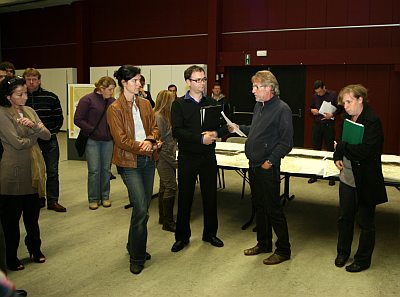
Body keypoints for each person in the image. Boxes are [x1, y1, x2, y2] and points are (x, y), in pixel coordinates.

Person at [228, 70, 293, 265]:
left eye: (256, 87)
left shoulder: (282, 109)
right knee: (260, 206)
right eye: (253, 86)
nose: (253, 91)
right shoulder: (260, 106)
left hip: (266, 166)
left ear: (269, 88)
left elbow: (286, 142)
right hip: (254, 165)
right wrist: (239, 128)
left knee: (273, 209)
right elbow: (256, 131)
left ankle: (283, 250)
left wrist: (270, 161)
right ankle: (263, 243)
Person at [107, 65, 160, 275]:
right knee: (140, 208)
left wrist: (150, 139)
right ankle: (137, 256)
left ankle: (133, 245)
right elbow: (120, 140)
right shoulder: (115, 108)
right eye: (136, 80)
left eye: (140, 80)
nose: (140, 84)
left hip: (148, 161)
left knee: (144, 207)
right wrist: (145, 145)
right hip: (129, 162)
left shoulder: (146, 104)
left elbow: (155, 127)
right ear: (124, 82)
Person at [170, 65, 227, 253]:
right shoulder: (178, 104)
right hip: (188, 157)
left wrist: (216, 132)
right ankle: (182, 237)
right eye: (197, 80)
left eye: (203, 79)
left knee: (210, 196)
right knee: (185, 198)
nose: (202, 83)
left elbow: (223, 126)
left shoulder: (211, 102)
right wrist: (199, 138)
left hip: (208, 157)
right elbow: (177, 130)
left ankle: (210, 233)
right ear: (188, 82)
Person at [333, 84, 387, 273]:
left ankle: (363, 260)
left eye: (349, 102)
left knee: (366, 222)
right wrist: (337, 156)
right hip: (347, 177)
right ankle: (342, 252)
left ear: (360, 100)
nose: (345, 106)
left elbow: (366, 151)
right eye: (343, 103)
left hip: (366, 180)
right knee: (344, 218)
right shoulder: (346, 118)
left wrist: (342, 147)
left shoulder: (372, 121)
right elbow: (339, 145)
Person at [0, 76, 50, 272]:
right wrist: (34, 134)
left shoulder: (29, 111)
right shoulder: (3, 114)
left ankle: (34, 249)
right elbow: (16, 143)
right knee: (11, 220)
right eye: (19, 95)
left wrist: (34, 127)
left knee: (32, 216)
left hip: (33, 170)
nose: (24, 98)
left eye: (25, 94)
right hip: (12, 172)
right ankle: (11, 256)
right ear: (8, 96)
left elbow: (46, 135)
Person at [23, 68, 66, 212]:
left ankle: (53, 201)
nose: (31, 82)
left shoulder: (51, 97)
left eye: (34, 79)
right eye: (28, 79)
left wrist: (49, 133)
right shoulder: (20, 99)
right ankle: (37, 199)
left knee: (52, 171)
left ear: (39, 80)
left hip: (49, 140)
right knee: (33, 172)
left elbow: (59, 119)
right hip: (29, 142)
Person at [74, 77, 116, 210]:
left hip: (108, 141)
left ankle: (105, 196)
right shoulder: (87, 100)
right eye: (110, 89)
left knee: (106, 170)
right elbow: (78, 119)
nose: (112, 92)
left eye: (113, 89)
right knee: (94, 170)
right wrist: (92, 130)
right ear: (101, 89)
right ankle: (93, 198)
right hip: (92, 140)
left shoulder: (113, 101)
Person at [309, 80, 341, 185]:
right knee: (316, 150)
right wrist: (313, 111)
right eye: (317, 92)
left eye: (320, 92)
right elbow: (312, 107)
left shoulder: (333, 95)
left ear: (324, 87)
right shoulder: (314, 96)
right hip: (317, 125)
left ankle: (331, 176)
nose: (319, 94)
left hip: (328, 125)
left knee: (330, 150)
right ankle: (314, 175)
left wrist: (332, 115)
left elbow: (340, 109)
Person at [154, 90, 177, 232]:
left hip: (168, 154)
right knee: (171, 186)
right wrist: (174, 161)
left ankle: (163, 217)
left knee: (164, 186)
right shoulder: (159, 117)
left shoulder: (166, 116)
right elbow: (161, 141)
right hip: (163, 155)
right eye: (172, 100)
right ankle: (167, 222)